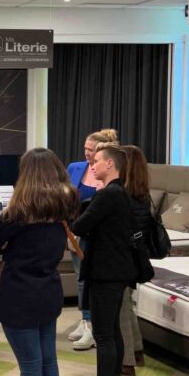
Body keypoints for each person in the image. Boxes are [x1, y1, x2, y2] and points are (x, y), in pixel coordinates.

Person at [0, 149, 78, 376]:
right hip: (48, 291)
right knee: (48, 362)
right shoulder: (65, 204)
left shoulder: (19, 210)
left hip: (19, 294)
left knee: (31, 367)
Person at [65, 144, 136, 376]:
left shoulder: (108, 195)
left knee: (104, 334)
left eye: (96, 161)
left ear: (110, 164)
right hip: (115, 270)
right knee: (112, 331)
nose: (91, 166)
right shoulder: (119, 193)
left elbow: (79, 225)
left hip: (106, 272)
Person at [67, 129, 119, 351]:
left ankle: (93, 326)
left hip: (97, 234)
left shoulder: (109, 175)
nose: (87, 153)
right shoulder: (75, 168)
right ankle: (85, 320)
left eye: (92, 150)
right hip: (76, 231)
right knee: (80, 277)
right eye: (85, 149)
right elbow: (65, 195)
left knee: (91, 279)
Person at [117, 145, 153, 376]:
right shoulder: (143, 195)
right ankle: (137, 351)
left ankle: (126, 362)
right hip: (136, 258)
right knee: (127, 305)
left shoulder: (122, 197)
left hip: (121, 259)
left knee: (119, 311)